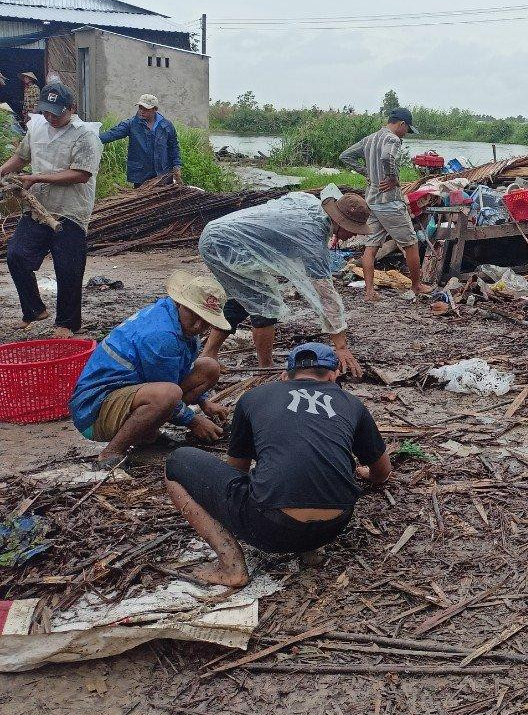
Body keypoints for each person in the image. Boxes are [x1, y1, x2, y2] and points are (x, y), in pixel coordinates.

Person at [164, 342, 391, 587]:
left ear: (284, 376)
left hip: (269, 529)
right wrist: (365, 474)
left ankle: (231, 566)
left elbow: (235, 470)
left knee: (177, 462)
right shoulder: (352, 403)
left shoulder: (255, 397)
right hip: (334, 526)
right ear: (333, 376)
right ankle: (309, 550)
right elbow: (382, 473)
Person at [198, 185, 371, 376]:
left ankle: (208, 355)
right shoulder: (312, 238)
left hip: (216, 233)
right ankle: (265, 367)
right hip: (225, 244)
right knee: (266, 303)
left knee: (242, 299)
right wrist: (341, 346)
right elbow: (325, 294)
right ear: (340, 221)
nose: (355, 234)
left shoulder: (309, 202)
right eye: (353, 229)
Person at [69, 269, 228, 470]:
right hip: (94, 412)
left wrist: (204, 403)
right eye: (194, 315)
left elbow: (178, 371)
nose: (198, 325)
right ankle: (111, 453)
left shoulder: (174, 319)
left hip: (126, 394)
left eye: (206, 321)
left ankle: (146, 434)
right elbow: (169, 392)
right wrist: (194, 421)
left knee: (209, 368)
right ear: (180, 304)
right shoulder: (162, 335)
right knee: (167, 394)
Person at [0, 79, 103, 337]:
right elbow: (23, 156)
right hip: (38, 207)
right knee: (16, 255)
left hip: (70, 211)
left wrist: (37, 178)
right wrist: (2, 170)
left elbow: (81, 174)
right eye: (46, 111)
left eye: (57, 113)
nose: (51, 117)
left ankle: (67, 323)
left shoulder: (85, 134)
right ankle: (34, 310)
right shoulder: (36, 127)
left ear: (72, 108)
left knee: (68, 266)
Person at [339, 107, 426, 300]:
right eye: (407, 129)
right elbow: (387, 157)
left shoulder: (369, 139)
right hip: (389, 202)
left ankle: (369, 292)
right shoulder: (393, 139)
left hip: (371, 201)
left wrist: (367, 172)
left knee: (371, 246)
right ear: (401, 124)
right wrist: (392, 177)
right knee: (411, 244)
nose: (406, 134)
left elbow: (345, 156)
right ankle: (417, 286)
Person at [98, 94, 183, 187]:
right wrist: (92, 139)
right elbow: (112, 134)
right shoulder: (131, 125)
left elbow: (174, 147)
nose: (141, 111)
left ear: (155, 109)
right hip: (141, 176)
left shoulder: (166, 126)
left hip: (163, 175)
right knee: (143, 200)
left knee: (163, 200)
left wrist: (176, 165)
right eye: (140, 108)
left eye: (146, 109)